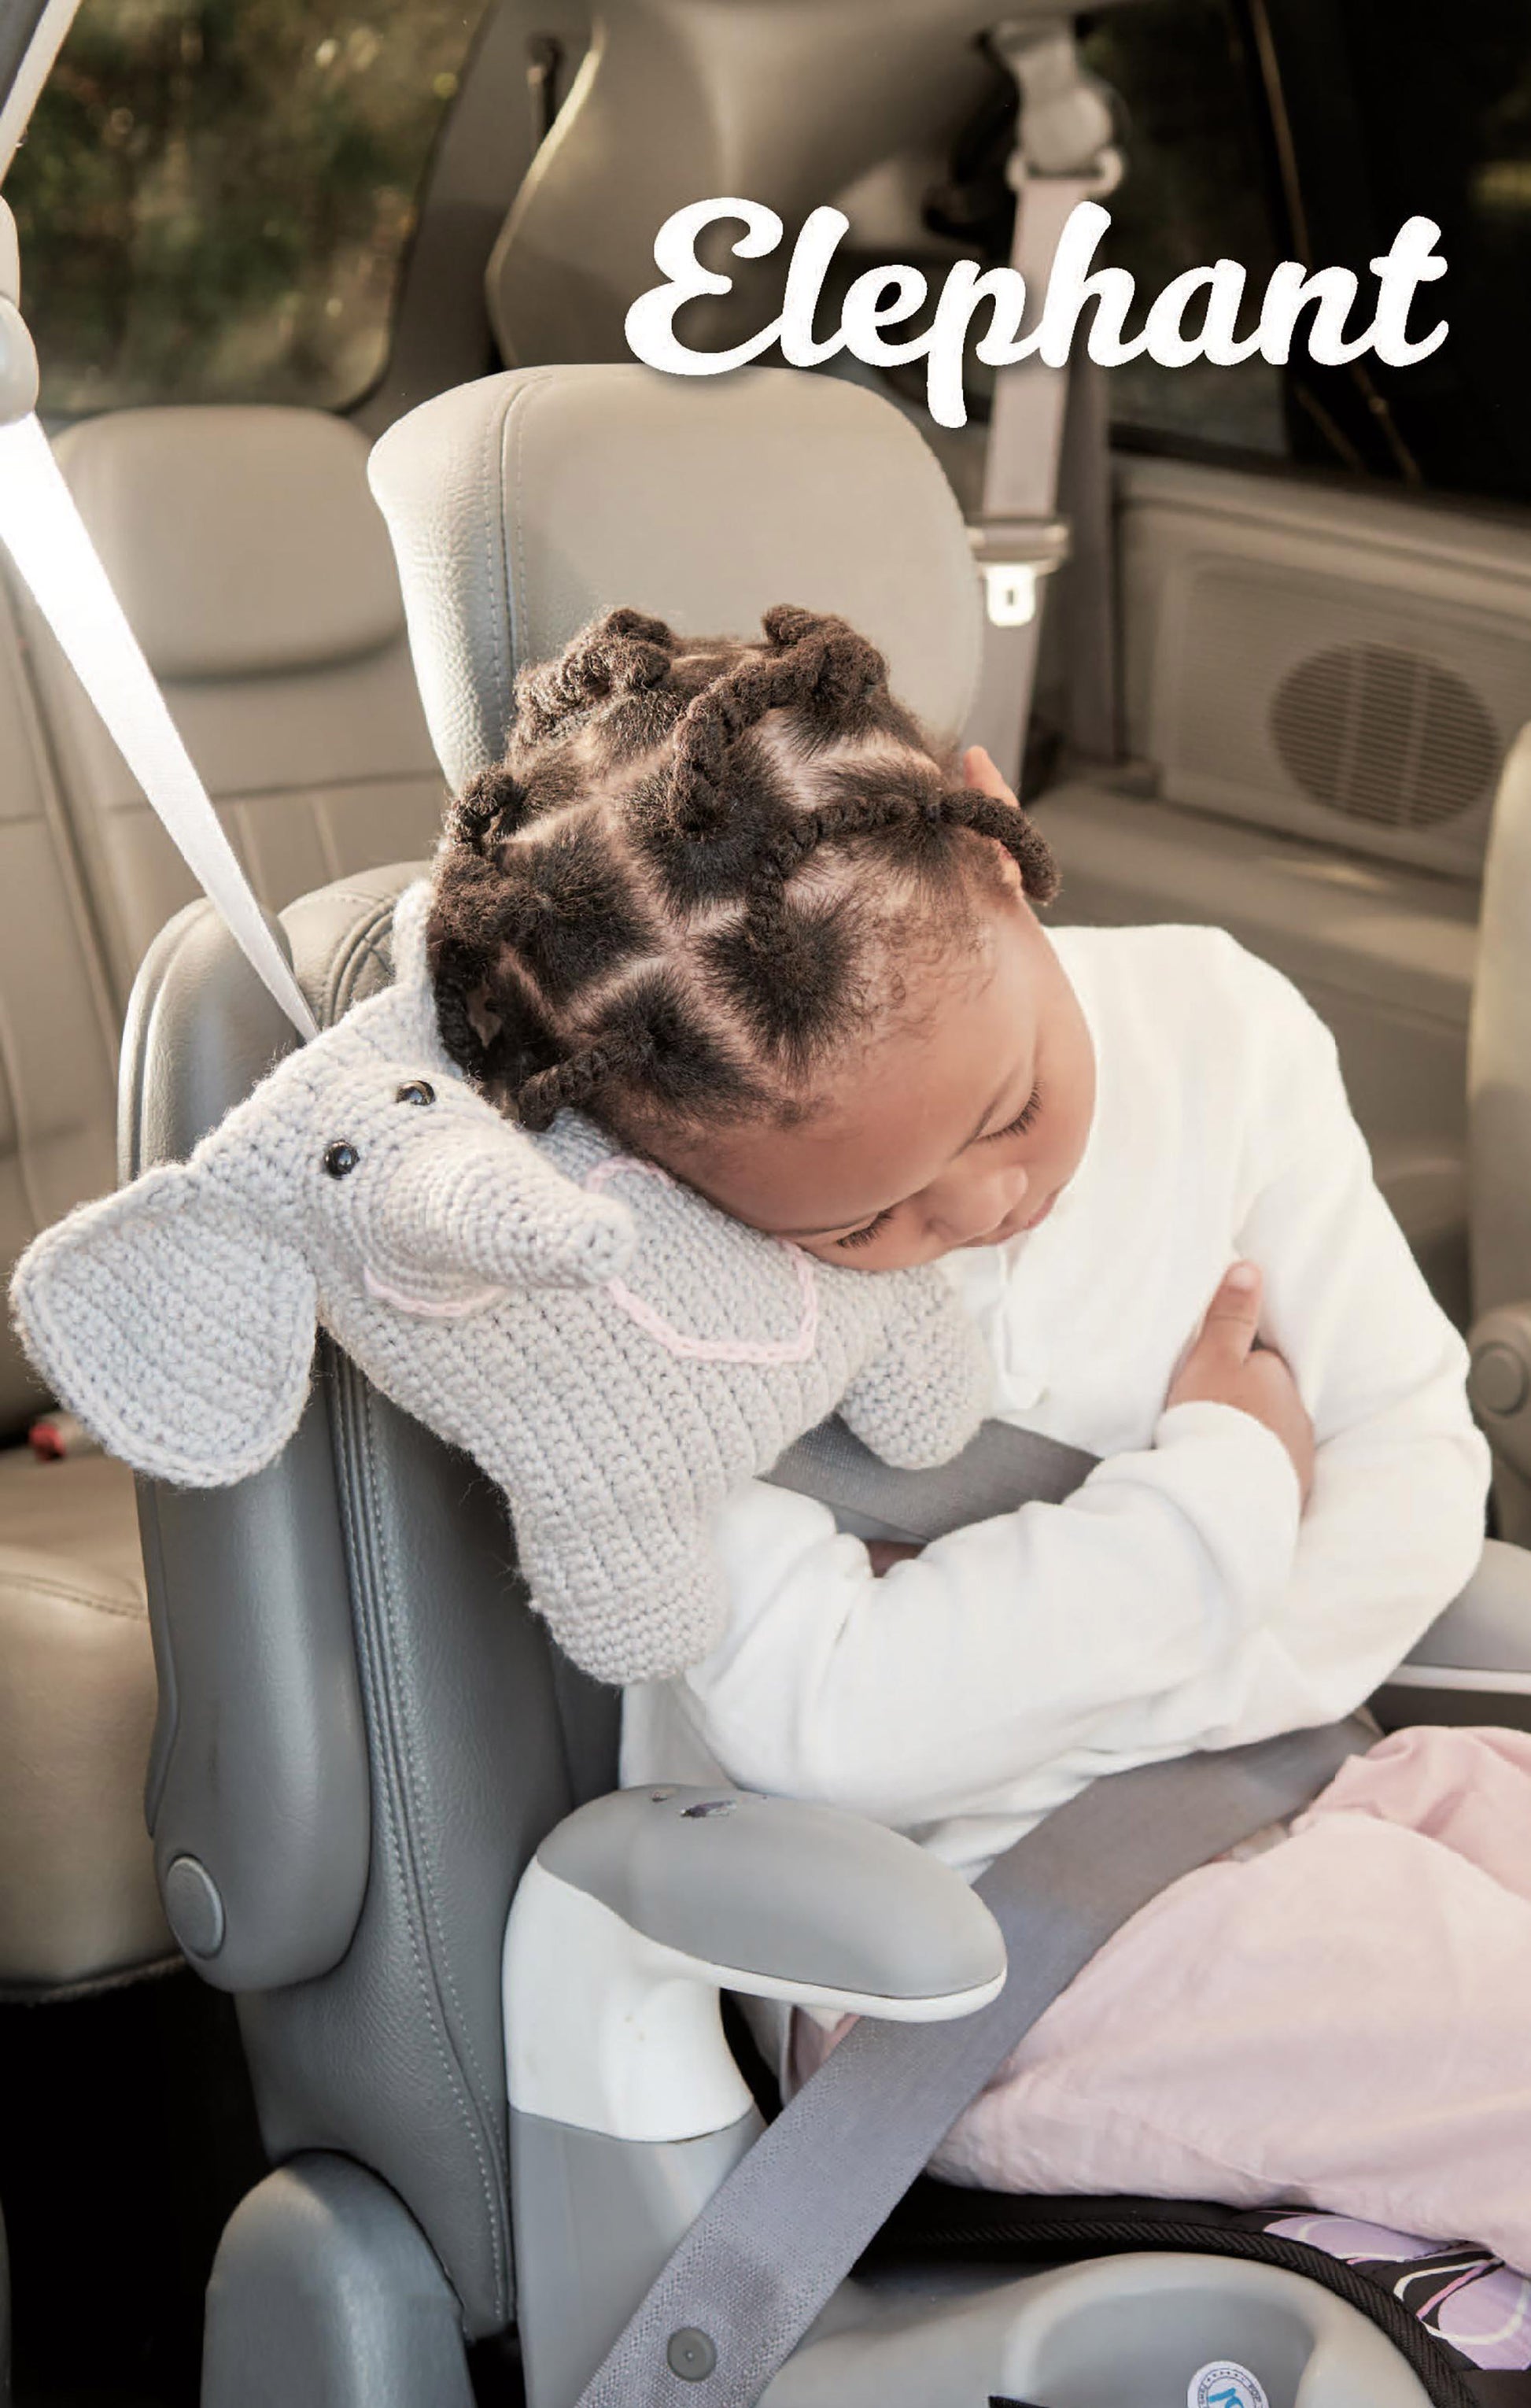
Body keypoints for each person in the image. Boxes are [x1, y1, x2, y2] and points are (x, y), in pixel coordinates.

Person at [426, 604, 1528, 2264]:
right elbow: (837, 1724)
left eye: (1007, 1106)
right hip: (966, 1946)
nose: (981, 1205)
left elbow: (1410, 1465)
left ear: (999, 843)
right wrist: (1226, 1488)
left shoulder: (1221, 1028)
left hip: (1290, 1782)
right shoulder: (654, 1289)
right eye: (860, 1224)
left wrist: (1090, 1680)